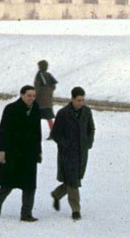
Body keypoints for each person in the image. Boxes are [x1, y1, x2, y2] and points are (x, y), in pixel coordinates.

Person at [0, 85, 43, 221]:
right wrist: (1, 150)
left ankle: (26, 214)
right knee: (8, 183)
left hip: (30, 153)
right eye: (29, 96)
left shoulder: (36, 109)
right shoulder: (11, 109)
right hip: (13, 152)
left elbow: (37, 132)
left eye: (33, 96)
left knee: (30, 186)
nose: (31, 99)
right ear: (22, 95)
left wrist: (38, 151)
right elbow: (2, 131)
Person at [49, 86, 95, 221]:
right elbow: (55, 134)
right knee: (73, 182)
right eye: (78, 100)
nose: (80, 103)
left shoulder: (86, 112)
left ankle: (57, 194)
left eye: (82, 100)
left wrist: (88, 143)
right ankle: (76, 210)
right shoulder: (63, 113)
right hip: (67, 154)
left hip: (82, 152)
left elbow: (91, 128)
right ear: (72, 99)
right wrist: (65, 145)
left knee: (72, 180)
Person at [34, 60, 59, 132]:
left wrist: (34, 97)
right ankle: (53, 132)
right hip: (48, 101)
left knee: (35, 116)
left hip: (39, 101)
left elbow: (37, 88)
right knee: (49, 118)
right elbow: (53, 86)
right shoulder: (49, 75)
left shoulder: (39, 75)